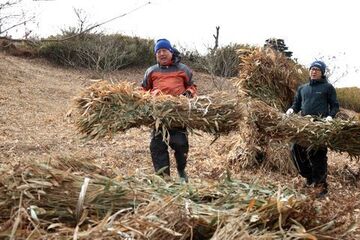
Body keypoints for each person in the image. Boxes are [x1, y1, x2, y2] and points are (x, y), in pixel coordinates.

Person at [141, 38, 197, 182]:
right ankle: (163, 178)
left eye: (164, 50)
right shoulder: (151, 71)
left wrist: (189, 93)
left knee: (180, 145)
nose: (162, 54)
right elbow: (143, 89)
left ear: (171, 52)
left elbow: (192, 86)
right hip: (158, 116)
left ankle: (181, 169)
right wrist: (147, 97)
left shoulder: (182, 69)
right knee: (157, 146)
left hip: (178, 114)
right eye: (158, 51)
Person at [286, 60, 339, 197]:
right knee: (295, 150)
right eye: (312, 69)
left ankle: (321, 185)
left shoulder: (328, 87)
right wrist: (291, 110)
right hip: (304, 124)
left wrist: (330, 117)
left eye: (317, 69)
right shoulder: (303, 88)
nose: (314, 71)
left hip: (320, 125)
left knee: (317, 154)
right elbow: (296, 104)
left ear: (322, 73)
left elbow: (335, 106)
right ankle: (309, 177)